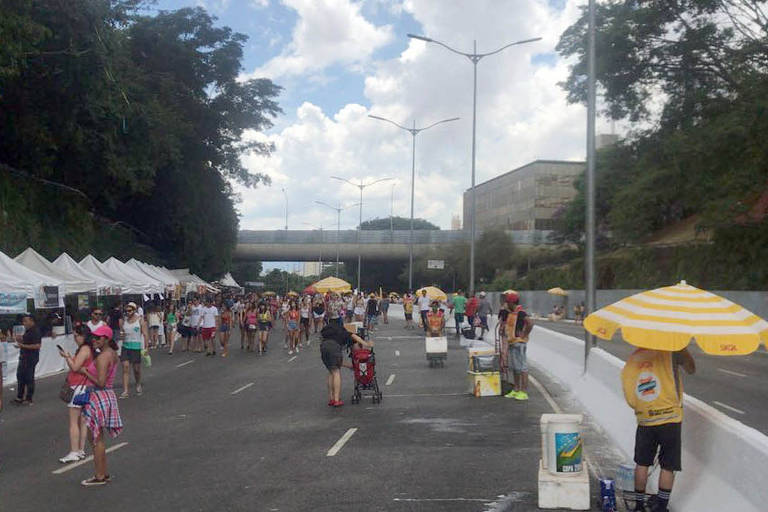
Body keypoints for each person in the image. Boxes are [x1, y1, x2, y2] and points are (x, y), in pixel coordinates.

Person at [622, 347, 695, 512]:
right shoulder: (672, 351)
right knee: (668, 465)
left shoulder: (635, 357)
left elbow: (628, 387)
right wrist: (684, 350)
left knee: (642, 463)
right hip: (670, 417)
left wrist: (639, 407)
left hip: (645, 417)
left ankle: (639, 506)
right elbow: (691, 369)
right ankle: (661, 508)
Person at [78, 325, 123, 486]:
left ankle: (99, 475)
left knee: (95, 438)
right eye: (94, 337)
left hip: (98, 396)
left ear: (107, 339)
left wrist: (85, 372)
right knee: (98, 438)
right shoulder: (111, 354)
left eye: (98, 338)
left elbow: (101, 382)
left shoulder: (104, 356)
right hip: (106, 396)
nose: (94, 340)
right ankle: (102, 473)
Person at [58, 324, 94, 463]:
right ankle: (80, 449)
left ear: (83, 336)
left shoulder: (84, 349)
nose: (75, 339)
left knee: (74, 421)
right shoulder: (90, 349)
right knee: (83, 420)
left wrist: (67, 357)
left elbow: (75, 367)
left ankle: (74, 450)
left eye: (76, 336)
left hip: (77, 386)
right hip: (86, 385)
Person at [319, 322, 373, 407]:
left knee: (331, 372)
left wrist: (348, 365)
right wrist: (366, 344)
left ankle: (331, 398)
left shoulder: (328, 332)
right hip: (334, 347)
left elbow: (338, 362)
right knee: (336, 372)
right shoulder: (343, 331)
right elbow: (354, 336)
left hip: (323, 347)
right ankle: (337, 400)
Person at [502, 292, 534, 400]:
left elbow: (530, 323)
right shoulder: (512, 312)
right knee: (515, 368)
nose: (506, 304)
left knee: (522, 368)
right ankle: (516, 389)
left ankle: (523, 391)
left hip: (519, 343)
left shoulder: (521, 313)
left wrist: (524, 334)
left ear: (512, 302)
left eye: (507, 302)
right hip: (513, 342)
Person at [118, 302, 148, 399]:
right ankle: (125, 391)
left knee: (136, 369)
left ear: (134, 310)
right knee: (125, 367)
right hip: (126, 346)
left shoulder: (140, 320)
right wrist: (121, 335)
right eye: (126, 311)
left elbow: (145, 334)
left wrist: (146, 347)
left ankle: (138, 383)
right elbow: (121, 333)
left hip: (136, 347)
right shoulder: (124, 321)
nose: (128, 312)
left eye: (130, 310)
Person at [13, 314, 41, 405]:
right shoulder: (28, 331)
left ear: (31, 321)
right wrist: (19, 339)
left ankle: (29, 398)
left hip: (31, 358)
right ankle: (19, 397)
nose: (24, 323)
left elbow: (37, 345)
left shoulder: (35, 331)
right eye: (23, 321)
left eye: (26, 321)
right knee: (20, 376)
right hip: (24, 357)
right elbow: (25, 340)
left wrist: (23, 346)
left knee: (29, 378)